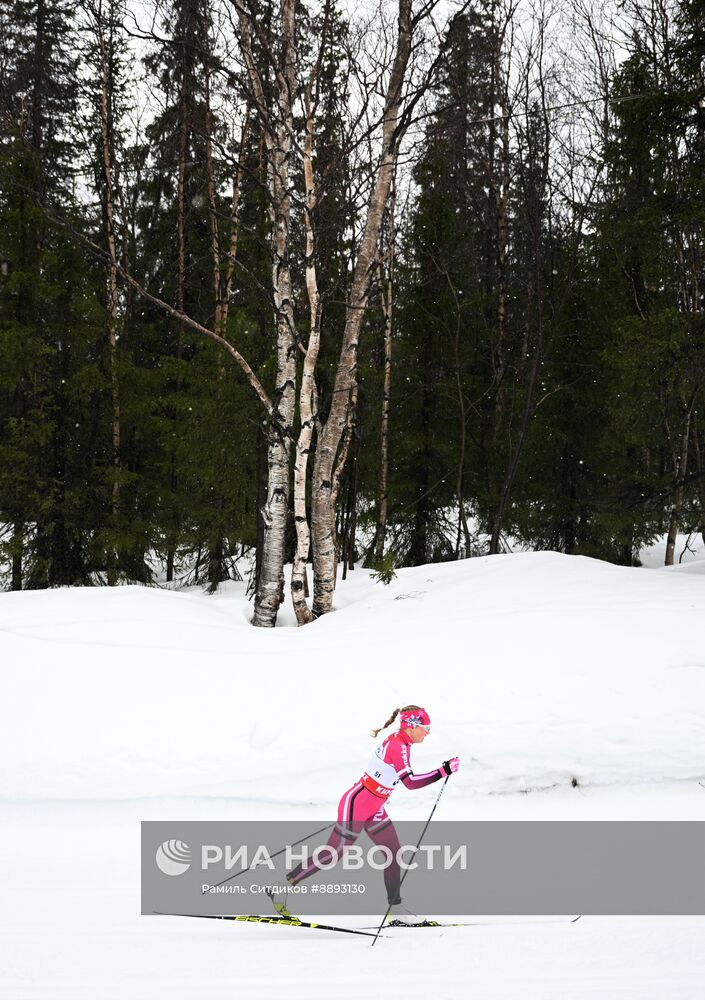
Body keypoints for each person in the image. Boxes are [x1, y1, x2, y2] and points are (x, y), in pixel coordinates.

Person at [283, 704, 460, 924]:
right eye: (425, 727)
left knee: (394, 854)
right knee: (335, 853)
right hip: (357, 804)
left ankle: (395, 909)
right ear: (412, 726)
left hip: (374, 807)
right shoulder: (398, 745)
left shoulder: (402, 742)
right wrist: (443, 771)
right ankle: (281, 888)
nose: (428, 732)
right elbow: (411, 784)